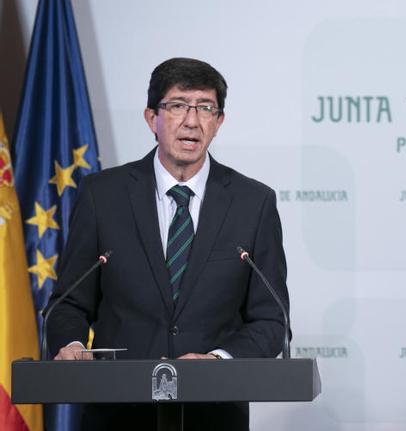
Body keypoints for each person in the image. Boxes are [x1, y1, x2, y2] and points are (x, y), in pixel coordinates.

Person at [46, 57, 289, 430]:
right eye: (177, 106)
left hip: (214, 415)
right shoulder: (103, 196)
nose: (192, 121)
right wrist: (74, 347)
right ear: (151, 119)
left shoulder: (253, 203)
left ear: (218, 122)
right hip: (118, 415)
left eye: (205, 108)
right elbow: (67, 304)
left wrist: (219, 360)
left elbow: (272, 319)